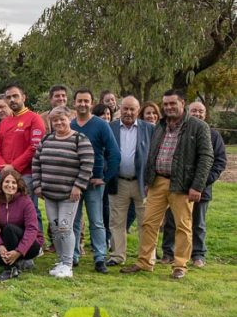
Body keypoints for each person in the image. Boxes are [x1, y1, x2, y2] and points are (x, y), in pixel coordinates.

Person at [122, 90, 214, 280]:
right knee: (148, 223)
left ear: (183, 103)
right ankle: (145, 262)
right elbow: (152, 153)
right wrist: (149, 180)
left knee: (183, 226)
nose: (169, 107)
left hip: (182, 184)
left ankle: (180, 265)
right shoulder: (160, 125)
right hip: (157, 182)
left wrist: (197, 186)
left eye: (173, 103)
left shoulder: (198, 127)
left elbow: (206, 157)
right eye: (166, 104)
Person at [161, 100, 227, 268]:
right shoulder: (180, 131)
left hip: (201, 189)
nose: (197, 114)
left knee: (198, 223)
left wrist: (202, 183)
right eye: (194, 111)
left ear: (205, 114)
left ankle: (198, 254)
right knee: (171, 221)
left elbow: (219, 162)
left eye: (201, 111)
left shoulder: (213, 135)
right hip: (177, 186)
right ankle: (168, 253)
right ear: (187, 112)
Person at [32, 106, 94, 278]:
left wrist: (78, 186)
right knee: (54, 227)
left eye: (62, 119)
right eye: (55, 120)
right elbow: (36, 162)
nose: (58, 123)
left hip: (69, 194)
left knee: (65, 227)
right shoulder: (46, 140)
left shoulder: (79, 139)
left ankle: (68, 264)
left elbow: (87, 164)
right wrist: (37, 185)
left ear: (70, 119)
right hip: (49, 193)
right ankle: (60, 261)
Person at [69, 88, 120, 274]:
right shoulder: (70, 125)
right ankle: (73, 255)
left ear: (91, 103)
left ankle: (99, 257)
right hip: (73, 183)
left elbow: (114, 153)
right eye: (79, 101)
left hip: (94, 182)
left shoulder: (101, 125)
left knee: (96, 221)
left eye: (86, 101)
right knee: (74, 221)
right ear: (74, 103)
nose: (83, 104)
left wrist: (105, 178)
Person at [107, 96, 155, 266]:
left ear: (138, 110)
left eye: (132, 109)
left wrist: (151, 180)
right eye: (125, 108)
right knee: (117, 221)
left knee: (146, 222)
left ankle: (147, 257)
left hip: (142, 183)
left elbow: (154, 157)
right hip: (118, 182)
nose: (128, 112)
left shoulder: (150, 129)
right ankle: (117, 256)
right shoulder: (110, 127)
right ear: (120, 109)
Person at [0, 84, 45, 230]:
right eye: (8, 97)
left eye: (15, 96)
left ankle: (36, 241)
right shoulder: (4, 123)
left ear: (23, 97)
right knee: (8, 209)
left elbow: (34, 147)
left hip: (26, 174)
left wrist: (13, 167)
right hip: (5, 174)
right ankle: (17, 241)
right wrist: (3, 166)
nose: (12, 100)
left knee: (30, 209)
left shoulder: (34, 119)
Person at [0, 169, 44, 281]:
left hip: (29, 244)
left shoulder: (26, 201)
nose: (10, 185)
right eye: (7, 182)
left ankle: (10, 269)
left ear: (18, 185)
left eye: (13, 183)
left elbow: (32, 229)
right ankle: (16, 262)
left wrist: (18, 251)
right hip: (6, 241)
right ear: (1, 184)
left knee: (9, 228)